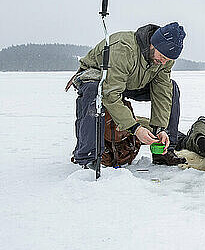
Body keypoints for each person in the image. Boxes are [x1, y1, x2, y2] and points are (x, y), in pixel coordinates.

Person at [67, 22, 186, 168]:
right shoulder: (123, 49)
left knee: (171, 88)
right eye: (162, 56)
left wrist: (160, 129)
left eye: (168, 60)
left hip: (132, 81)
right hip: (99, 77)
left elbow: (162, 91)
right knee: (94, 91)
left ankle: (164, 150)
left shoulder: (165, 60)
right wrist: (135, 128)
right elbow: (110, 94)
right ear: (153, 44)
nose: (163, 62)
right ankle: (87, 156)